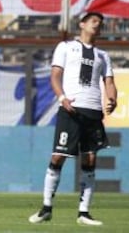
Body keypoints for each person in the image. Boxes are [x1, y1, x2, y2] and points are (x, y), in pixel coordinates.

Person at [28, 12, 117, 226]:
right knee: (59, 156)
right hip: (71, 110)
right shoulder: (65, 47)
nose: (97, 25)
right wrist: (62, 97)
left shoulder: (103, 55)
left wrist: (113, 99)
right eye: (94, 21)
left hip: (93, 111)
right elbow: (55, 75)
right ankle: (46, 208)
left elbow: (110, 82)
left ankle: (84, 213)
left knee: (90, 160)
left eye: (100, 23)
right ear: (82, 24)